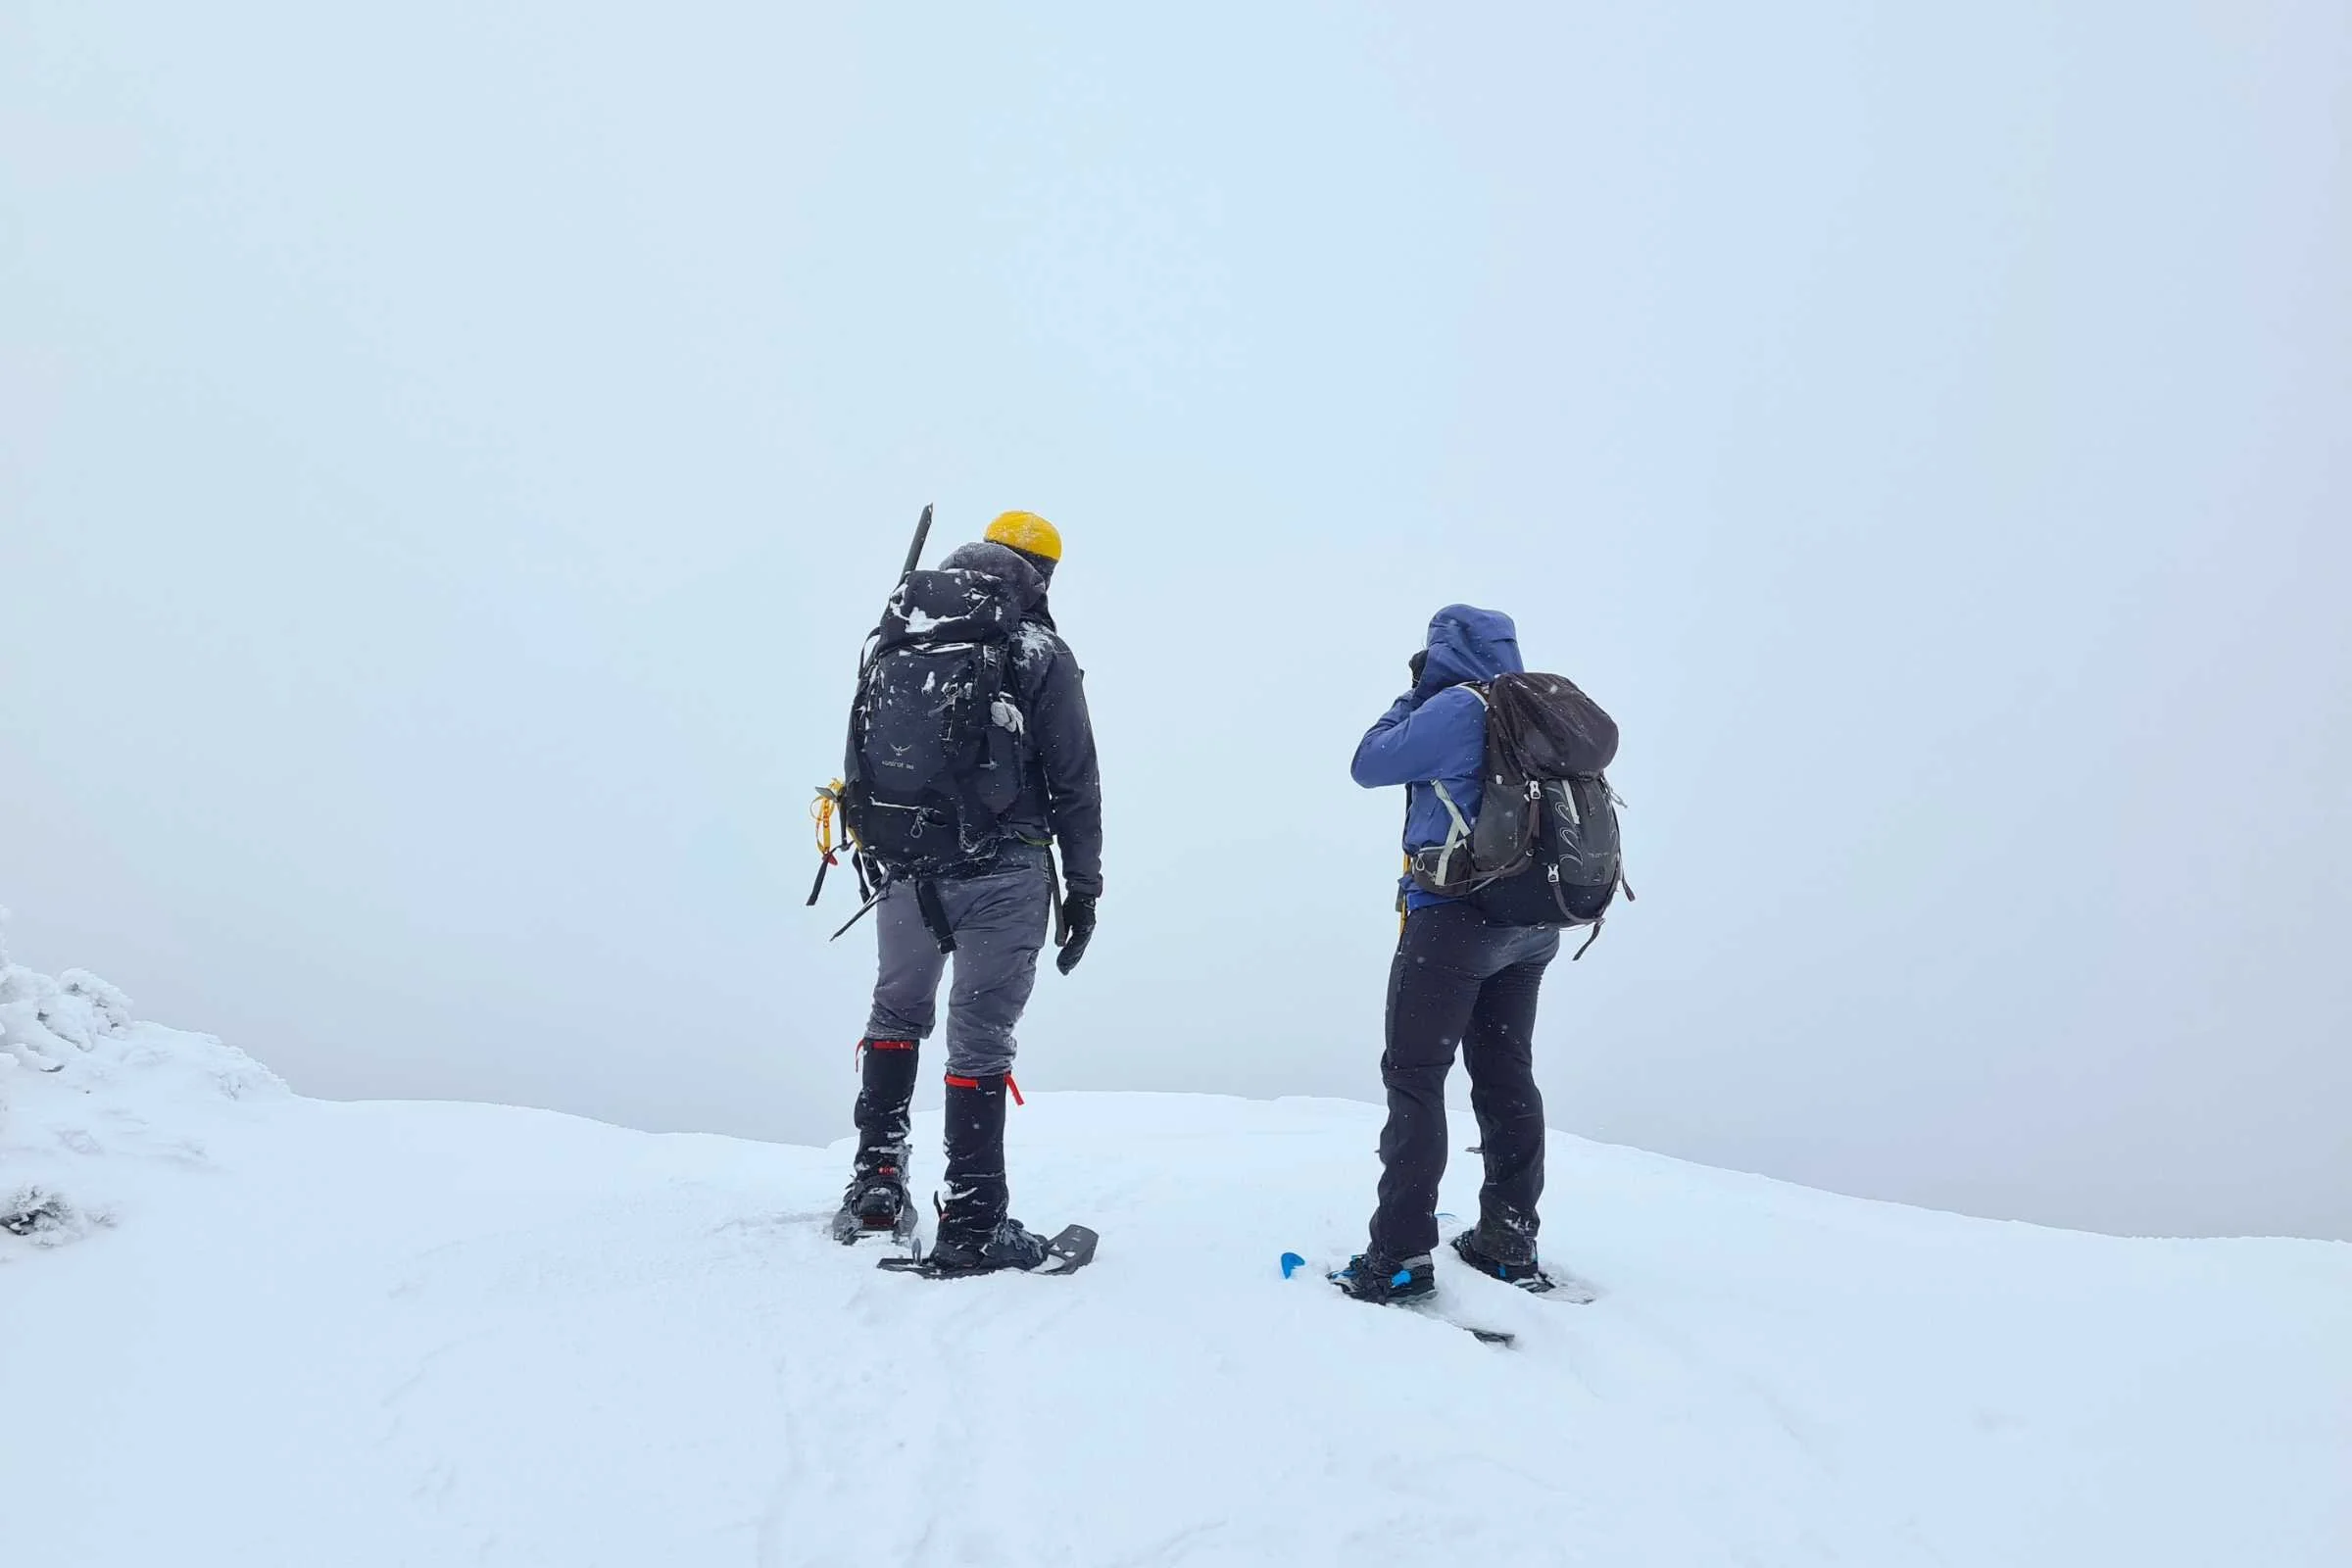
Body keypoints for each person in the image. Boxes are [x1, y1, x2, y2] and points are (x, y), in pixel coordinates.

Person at [834, 512, 1103, 1273]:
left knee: (895, 1011)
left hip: (904, 866)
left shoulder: (901, 631)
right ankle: (976, 1223)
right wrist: (1083, 888)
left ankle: (877, 1182)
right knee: (980, 1037)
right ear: (1042, 576)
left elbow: (863, 751)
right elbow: (1075, 781)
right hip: (1004, 870)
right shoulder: (1039, 651)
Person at [1334, 605, 1565, 1303]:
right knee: (1505, 1074)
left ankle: (1400, 1256)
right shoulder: (1536, 709)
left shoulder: (1458, 708)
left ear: (1443, 649)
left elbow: (1369, 762)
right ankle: (1507, 1240)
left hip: (1454, 921)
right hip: (1531, 923)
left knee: (1415, 1079)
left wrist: (1414, 693)